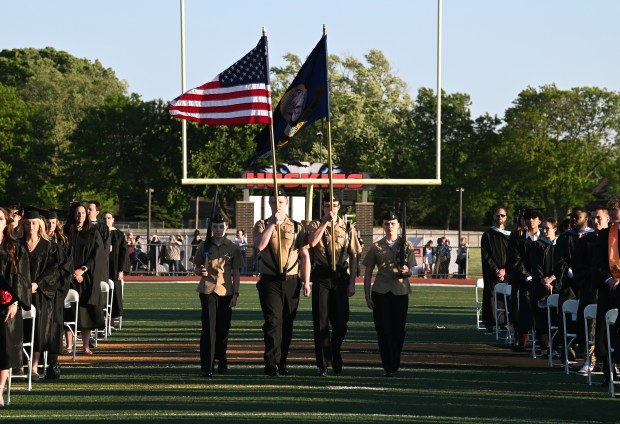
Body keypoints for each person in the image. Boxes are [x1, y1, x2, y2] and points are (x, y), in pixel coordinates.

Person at [253, 188, 310, 377]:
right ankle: (271, 362)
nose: (276, 205)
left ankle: (282, 360)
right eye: (272, 202)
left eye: (280, 202)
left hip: (292, 280)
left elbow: (304, 255)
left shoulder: (296, 226)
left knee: (287, 322)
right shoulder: (261, 224)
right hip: (270, 280)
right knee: (273, 320)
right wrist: (272, 224)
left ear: (286, 203)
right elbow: (260, 246)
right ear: (269, 204)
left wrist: (307, 282)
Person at [307, 198, 362, 376]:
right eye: (327, 205)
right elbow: (311, 244)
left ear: (339, 207)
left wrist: (352, 282)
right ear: (322, 207)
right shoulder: (314, 224)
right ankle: (323, 363)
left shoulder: (347, 227)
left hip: (340, 276)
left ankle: (335, 351)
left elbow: (354, 255)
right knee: (321, 321)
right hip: (322, 275)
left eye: (335, 205)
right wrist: (324, 223)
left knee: (341, 322)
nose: (331, 208)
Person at [363, 211, 416, 377]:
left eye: (393, 223)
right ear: (382, 226)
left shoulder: (406, 245)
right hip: (381, 291)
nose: (390, 226)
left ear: (398, 225)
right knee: (383, 330)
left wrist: (407, 271)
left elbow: (412, 269)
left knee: (398, 331)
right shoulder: (376, 246)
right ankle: (387, 364)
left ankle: (395, 361)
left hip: (400, 291)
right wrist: (367, 295)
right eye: (386, 223)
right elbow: (368, 271)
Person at [192, 214, 242, 377]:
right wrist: (200, 271)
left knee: (223, 329)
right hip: (207, 290)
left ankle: (222, 359)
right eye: (215, 227)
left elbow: (236, 272)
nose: (218, 230)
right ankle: (207, 365)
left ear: (226, 227)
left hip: (225, 291)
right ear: (211, 228)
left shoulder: (232, 247)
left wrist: (236, 293)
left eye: (221, 227)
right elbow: (196, 267)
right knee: (208, 329)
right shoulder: (204, 246)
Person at [21, 207, 67, 381]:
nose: (30, 226)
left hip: (40, 294)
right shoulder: (17, 245)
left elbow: (54, 269)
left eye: (33, 223)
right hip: (19, 293)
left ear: (39, 224)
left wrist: (38, 284)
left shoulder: (49, 247)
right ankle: (19, 366)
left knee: (38, 330)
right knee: (18, 330)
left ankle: (33, 367)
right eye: (27, 223)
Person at [0, 206, 31, 407]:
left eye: (0, 218)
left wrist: (14, 301)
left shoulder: (15, 247)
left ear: (6, 222)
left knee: (3, 349)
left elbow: (22, 277)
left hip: (7, 306)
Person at [65, 203, 104, 355]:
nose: (80, 215)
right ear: (73, 215)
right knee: (68, 311)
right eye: (77, 213)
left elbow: (97, 255)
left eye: (82, 213)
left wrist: (82, 270)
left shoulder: (93, 232)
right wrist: (72, 273)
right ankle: (69, 345)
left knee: (85, 313)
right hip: (68, 277)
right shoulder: (67, 232)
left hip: (87, 278)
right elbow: (62, 255)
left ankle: (85, 346)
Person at [593, 197, 620, 386]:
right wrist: (609, 278)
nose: (611, 213)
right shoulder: (604, 235)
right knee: (605, 331)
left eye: (615, 210)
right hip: (608, 288)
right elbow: (597, 263)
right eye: (610, 210)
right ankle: (607, 373)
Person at [507, 206, 542, 351]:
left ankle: (544, 344)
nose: (531, 220)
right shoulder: (518, 238)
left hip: (542, 281)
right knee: (522, 310)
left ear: (540, 221)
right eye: (528, 218)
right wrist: (527, 277)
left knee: (542, 312)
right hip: (523, 280)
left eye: (534, 218)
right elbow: (515, 260)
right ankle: (521, 340)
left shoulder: (545, 238)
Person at [528, 217, 559, 358]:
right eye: (543, 228)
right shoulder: (537, 245)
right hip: (540, 286)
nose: (545, 231)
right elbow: (535, 266)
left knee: (556, 317)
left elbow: (563, 264)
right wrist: (544, 281)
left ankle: (557, 347)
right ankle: (544, 347)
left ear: (555, 229)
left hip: (557, 285)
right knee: (542, 317)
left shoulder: (561, 244)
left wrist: (553, 278)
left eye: (548, 228)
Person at [480, 207, 511, 334]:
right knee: (491, 296)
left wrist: (505, 270)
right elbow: (485, 255)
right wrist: (496, 270)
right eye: (498, 215)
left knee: (505, 297)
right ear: (494, 217)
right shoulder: (487, 235)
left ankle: (504, 322)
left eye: (502, 215)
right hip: (492, 272)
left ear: (506, 217)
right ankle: (490, 323)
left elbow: (513, 255)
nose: (500, 218)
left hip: (507, 272)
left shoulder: (511, 236)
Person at [102, 212, 127, 323]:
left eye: (108, 218)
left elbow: (124, 253)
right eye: (104, 218)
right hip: (101, 268)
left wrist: (121, 270)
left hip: (114, 268)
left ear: (113, 220)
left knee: (114, 292)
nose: (106, 220)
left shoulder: (119, 234)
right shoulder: (98, 233)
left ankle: (112, 318)